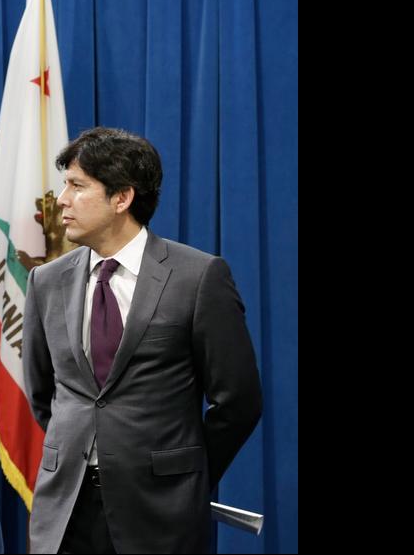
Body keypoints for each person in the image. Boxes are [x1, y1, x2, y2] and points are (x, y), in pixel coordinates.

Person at [22, 128, 262, 553]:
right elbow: (45, 394)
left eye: (77, 185)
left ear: (122, 198)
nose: (61, 199)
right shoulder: (46, 280)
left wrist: (185, 473)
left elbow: (238, 400)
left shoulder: (198, 277)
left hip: (162, 513)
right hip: (65, 512)